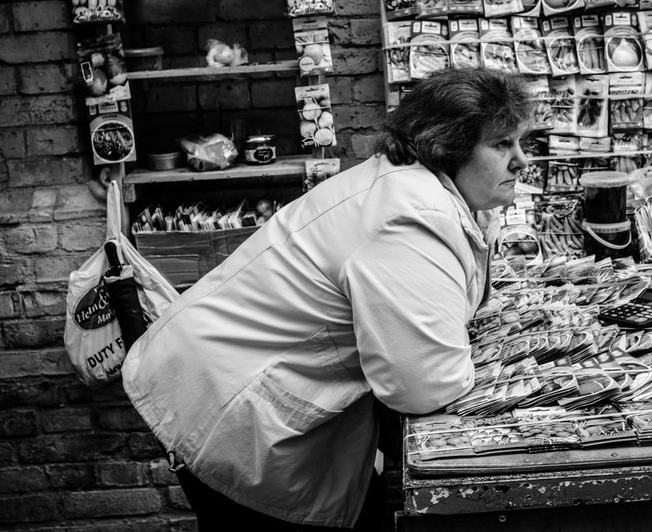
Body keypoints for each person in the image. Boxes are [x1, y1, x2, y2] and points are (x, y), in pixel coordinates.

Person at [121, 67, 532, 530]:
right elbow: (422, 385)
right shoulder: (412, 215)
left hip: (220, 378)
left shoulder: (412, 185)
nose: (521, 161)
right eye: (501, 145)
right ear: (447, 146)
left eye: (519, 142)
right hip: (225, 401)